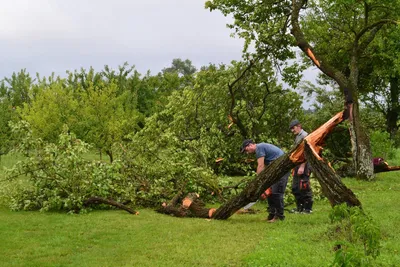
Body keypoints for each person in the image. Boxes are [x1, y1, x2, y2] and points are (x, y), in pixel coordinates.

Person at [240, 139, 290, 222]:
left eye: (246, 150)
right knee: (270, 193)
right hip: (276, 170)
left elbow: (260, 166)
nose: (247, 153)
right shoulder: (260, 148)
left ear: (250, 145)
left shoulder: (259, 148)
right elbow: (267, 167)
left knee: (276, 193)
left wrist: (257, 180)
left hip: (282, 170)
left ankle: (279, 217)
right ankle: (271, 215)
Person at [289, 120, 314, 214]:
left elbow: (306, 153)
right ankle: (300, 208)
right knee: (295, 187)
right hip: (297, 165)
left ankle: (308, 209)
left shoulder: (305, 136)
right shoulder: (298, 137)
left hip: (304, 165)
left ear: (299, 126)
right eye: (291, 129)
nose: (292, 130)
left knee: (304, 186)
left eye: (293, 128)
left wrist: (302, 167)